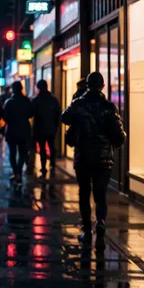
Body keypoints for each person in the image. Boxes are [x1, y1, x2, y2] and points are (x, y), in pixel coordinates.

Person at [61, 71, 126, 245]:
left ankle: (87, 230)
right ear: (103, 86)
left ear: (87, 86)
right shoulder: (108, 106)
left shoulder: (78, 104)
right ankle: (101, 223)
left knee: (84, 193)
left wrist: (76, 102)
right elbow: (119, 136)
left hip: (83, 157)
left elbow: (64, 117)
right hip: (103, 158)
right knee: (100, 194)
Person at [4, 81, 33, 182]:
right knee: (22, 152)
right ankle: (19, 171)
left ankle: (15, 172)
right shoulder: (26, 101)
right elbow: (30, 114)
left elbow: (5, 116)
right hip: (24, 129)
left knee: (12, 153)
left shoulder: (9, 102)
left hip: (12, 130)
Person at [31, 79, 61, 178]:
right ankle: (52, 163)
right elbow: (58, 114)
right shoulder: (53, 99)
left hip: (39, 128)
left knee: (42, 148)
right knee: (51, 146)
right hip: (51, 127)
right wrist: (56, 125)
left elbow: (31, 113)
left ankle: (44, 166)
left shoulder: (36, 100)